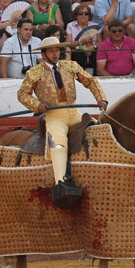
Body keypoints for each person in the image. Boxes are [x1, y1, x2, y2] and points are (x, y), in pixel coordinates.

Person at [17, 35, 108, 202]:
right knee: (57, 144)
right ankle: (61, 184)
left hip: (75, 113)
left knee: (99, 131)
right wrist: (38, 105)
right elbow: (22, 94)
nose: (55, 54)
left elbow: (90, 81)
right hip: (54, 116)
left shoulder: (70, 66)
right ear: (43, 54)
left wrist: (101, 98)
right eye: (51, 51)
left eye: (57, 50)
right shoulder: (34, 73)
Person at [65, 4, 98, 72]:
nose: (83, 15)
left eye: (86, 13)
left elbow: (100, 41)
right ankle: (80, 75)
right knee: (79, 52)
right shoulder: (70, 26)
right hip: (77, 50)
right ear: (76, 15)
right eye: (80, 13)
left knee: (97, 51)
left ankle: (96, 75)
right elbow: (68, 43)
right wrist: (80, 41)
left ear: (89, 16)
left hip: (92, 49)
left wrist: (92, 47)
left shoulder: (95, 25)